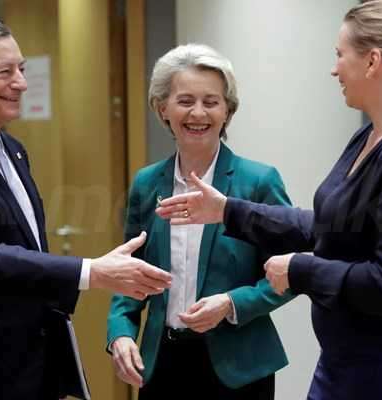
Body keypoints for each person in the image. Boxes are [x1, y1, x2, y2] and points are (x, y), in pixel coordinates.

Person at [157, 2, 382, 399]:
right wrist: (228, 210)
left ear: (372, 61)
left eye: (340, 55)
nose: (335, 69)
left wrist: (300, 270)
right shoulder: (372, 136)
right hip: (348, 356)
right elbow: (329, 227)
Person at [0, 16, 171, 400]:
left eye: (21, 69)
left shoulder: (11, 148)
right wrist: (93, 272)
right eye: (4, 72)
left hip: (24, 366)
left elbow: (26, 248)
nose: (21, 82)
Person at [106, 44, 294, 400]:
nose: (198, 113)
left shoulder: (259, 182)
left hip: (239, 370)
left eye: (211, 102)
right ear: (162, 107)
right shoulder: (146, 183)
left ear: (227, 111)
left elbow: (290, 272)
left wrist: (231, 303)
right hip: (163, 363)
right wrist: (121, 330)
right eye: (185, 100)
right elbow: (128, 270)